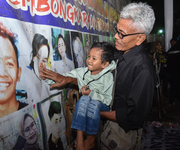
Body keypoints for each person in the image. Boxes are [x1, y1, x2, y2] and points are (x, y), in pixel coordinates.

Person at [39, 2, 156, 150]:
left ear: (140, 38)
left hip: (123, 135)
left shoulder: (142, 70)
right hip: (106, 127)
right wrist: (68, 79)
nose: (115, 36)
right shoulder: (120, 56)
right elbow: (97, 79)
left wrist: (95, 112)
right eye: (116, 30)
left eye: (122, 34)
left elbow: (133, 117)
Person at [41, 42, 116, 149]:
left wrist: (91, 93)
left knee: (94, 103)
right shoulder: (82, 72)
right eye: (89, 56)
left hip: (100, 106)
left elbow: (108, 100)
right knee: (84, 99)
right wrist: (45, 77)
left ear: (105, 64)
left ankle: (91, 138)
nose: (89, 60)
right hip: (86, 106)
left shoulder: (108, 78)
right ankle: (80, 137)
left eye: (94, 58)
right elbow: (62, 78)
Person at [166, 39, 180, 105]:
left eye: (173, 42)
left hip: (174, 72)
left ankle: (174, 100)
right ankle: (172, 100)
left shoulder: (170, 51)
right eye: (171, 42)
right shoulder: (171, 51)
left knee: (174, 87)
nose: (172, 43)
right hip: (173, 73)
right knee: (174, 87)